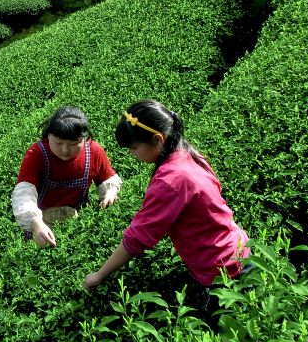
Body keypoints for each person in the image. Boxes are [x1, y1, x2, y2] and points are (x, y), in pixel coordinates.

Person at [83, 100, 251, 304]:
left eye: (134, 147)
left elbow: (138, 237)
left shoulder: (171, 180)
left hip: (223, 270)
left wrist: (99, 275)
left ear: (158, 139)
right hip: (239, 248)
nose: (132, 154)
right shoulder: (189, 154)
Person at [13, 106, 122, 247]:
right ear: (49, 135)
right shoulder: (37, 154)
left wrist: (110, 192)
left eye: (73, 144)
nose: (65, 150)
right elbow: (24, 193)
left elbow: (108, 178)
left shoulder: (94, 151)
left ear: (83, 139)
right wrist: (36, 223)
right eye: (58, 143)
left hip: (80, 220)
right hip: (43, 222)